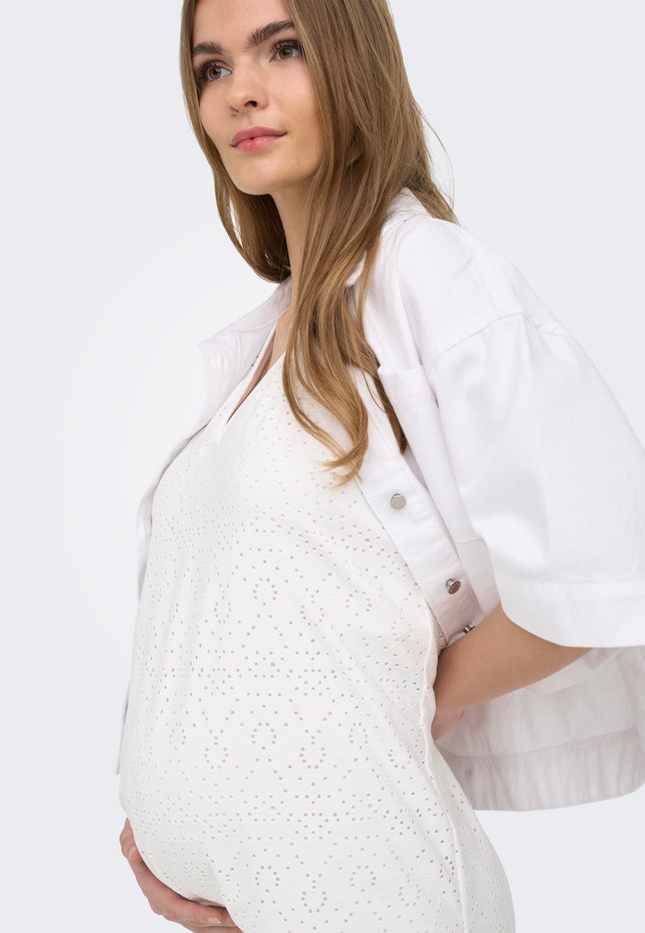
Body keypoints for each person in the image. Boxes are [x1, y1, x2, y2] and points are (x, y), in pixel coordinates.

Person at [117, 0, 645, 929]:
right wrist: (193, 831)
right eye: (212, 67)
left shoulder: (431, 272)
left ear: (355, 64)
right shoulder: (269, 338)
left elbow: (595, 567)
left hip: (375, 890)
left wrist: (410, 701)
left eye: (283, 49)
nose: (241, 91)